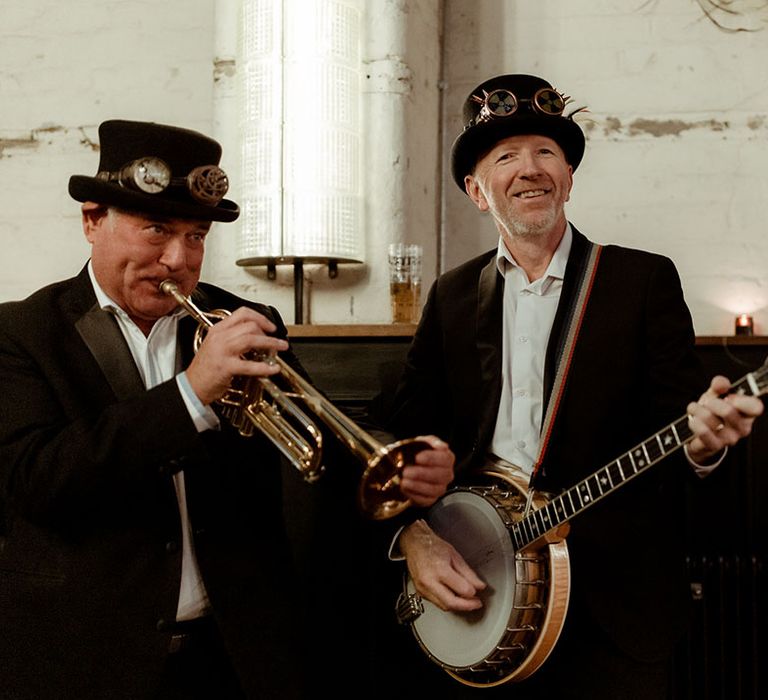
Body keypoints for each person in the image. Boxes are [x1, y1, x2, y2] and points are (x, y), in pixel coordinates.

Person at [0, 119, 455, 700]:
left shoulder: (242, 321)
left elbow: (320, 445)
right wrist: (191, 392)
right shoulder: (21, 332)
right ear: (93, 220)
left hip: (233, 658)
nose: (177, 259)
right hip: (82, 659)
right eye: (156, 229)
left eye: (195, 236)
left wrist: (403, 497)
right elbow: (35, 481)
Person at [380, 74, 764, 699]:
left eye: (546, 152)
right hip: (485, 592)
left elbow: (687, 423)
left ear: (569, 175)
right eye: (505, 156)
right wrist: (414, 536)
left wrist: (704, 442)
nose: (530, 169)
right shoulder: (451, 296)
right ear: (478, 192)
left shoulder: (640, 280)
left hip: (616, 605)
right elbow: (402, 430)